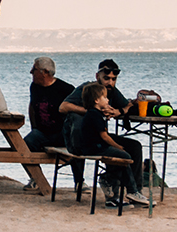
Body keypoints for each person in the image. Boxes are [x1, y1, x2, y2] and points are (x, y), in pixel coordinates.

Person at [69, 82, 146, 207]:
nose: (108, 99)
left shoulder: (96, 113)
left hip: (95, 145)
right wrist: (117, 146)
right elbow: (104, 136)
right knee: (124, 156)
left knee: (125, 152)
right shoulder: (94, 115)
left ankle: (112, 186)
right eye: (104, 97)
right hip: (94, 147)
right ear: (96, 100)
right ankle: (131, 190)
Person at [22, 56, 78, 189]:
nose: (31, 72)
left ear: (45, 72)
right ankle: (36, 178)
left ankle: (79, 182)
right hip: (42, 133)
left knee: (76, 145)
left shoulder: (66, 89)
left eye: (34, 69)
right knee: (23, 146)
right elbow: (32, 106)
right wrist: (34, 127)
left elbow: (76, 110)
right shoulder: (34, 87)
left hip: (61, 133)